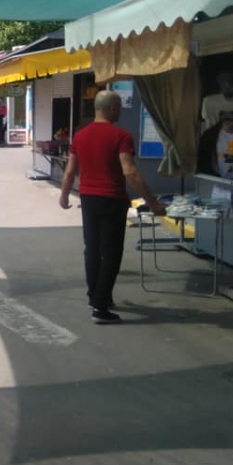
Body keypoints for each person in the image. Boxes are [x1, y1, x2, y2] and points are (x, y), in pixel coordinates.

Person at [59, 90, 167, 324]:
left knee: (92, 249)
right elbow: (130, 172)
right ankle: (100, 307)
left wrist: (64, 195)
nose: (120, 111)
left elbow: (70, 171)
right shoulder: (121, 136)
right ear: (112, 108)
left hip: (88, 198)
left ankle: (95, 297)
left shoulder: (80, 136)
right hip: (112, 199)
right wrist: (152, 202)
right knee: (111, 252)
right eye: (119, 107)